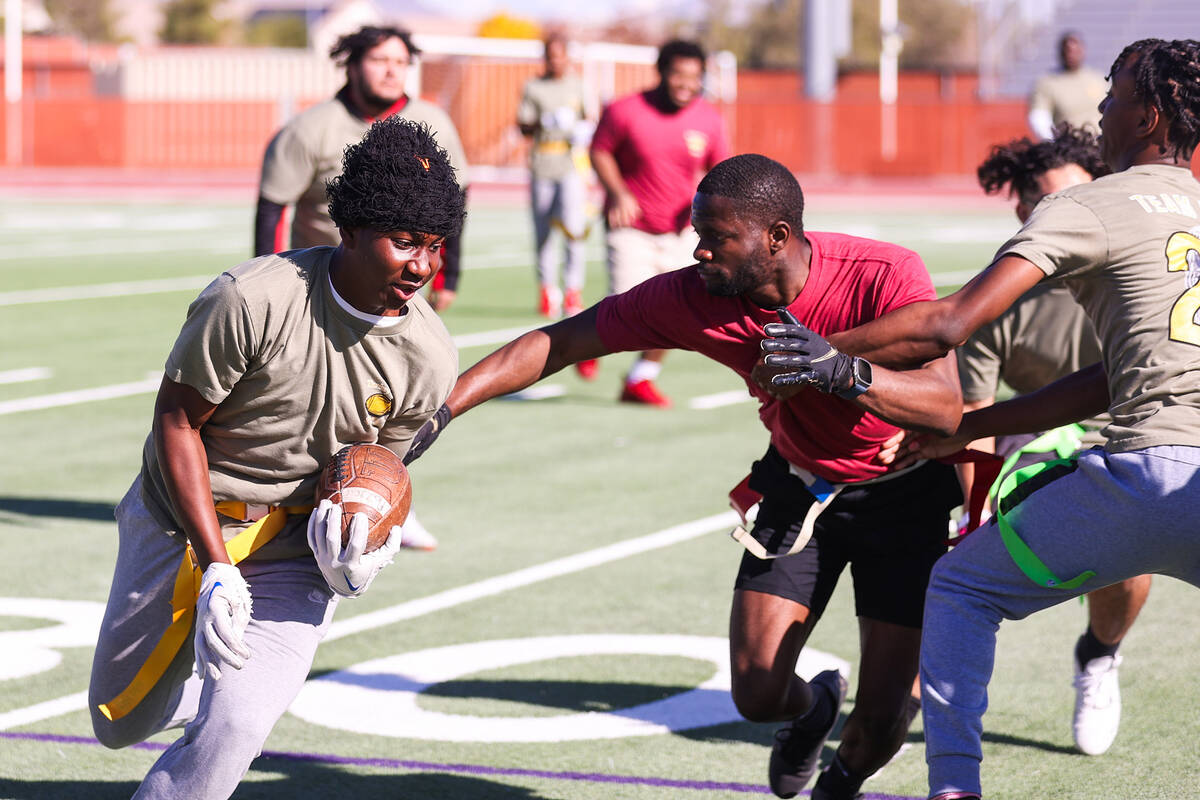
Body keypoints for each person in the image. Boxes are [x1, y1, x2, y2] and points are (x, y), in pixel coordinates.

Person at [405, 153, 965, 800]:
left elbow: (945, 406)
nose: (697, 251)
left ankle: (839, 783)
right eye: (698, 235)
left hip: (903, 495)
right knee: (757, 693)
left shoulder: (884, 272)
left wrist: (838, 368)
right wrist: (448, 405)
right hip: (800, 482)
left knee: (880, 720)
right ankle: (813, 709)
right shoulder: (693, 295)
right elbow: (561, 342)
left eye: (716, 238)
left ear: (777, 237)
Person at [763, 38, 1200, 800]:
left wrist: (822, 357)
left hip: (1142, 474)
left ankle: (955, 788)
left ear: (1149, 114)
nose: (1098, 106)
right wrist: (971, 425)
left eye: (1114, 92)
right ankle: (1098, 657)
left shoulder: (1093, 202)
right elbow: (1113, 375)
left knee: (961, 589)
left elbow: (947, 323)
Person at [89, 117, 466, 800]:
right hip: (181, 518)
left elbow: (378, 477)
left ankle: (220, 706)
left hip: (294, 550)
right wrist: (217, 568)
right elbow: (176, 422)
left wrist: (359, 555)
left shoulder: (430, 356)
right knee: (117, 722)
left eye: (435, 246)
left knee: (236, 728)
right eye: (405, 241)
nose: (422, 265)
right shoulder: (253, 298)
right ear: (346, 229)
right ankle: (189, 678)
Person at [962, 125, 1150, 757]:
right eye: (1052, 202)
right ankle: (898, 699)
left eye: (1085, 195)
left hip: (1128, 439)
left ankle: (1099, 655)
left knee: (1131, 553)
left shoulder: (1138, 277)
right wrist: (971, 513)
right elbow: (975, 413)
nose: (1079, 213)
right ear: (1024, 213)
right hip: (1025, 452)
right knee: (929, 556)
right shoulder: (998, 296)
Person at [255, 23, 468, 548]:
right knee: (312, 402)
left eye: (400, 60)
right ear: (351, 64)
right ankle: (281, 500)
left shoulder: (433, 122)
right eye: (379, 60)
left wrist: (450, 273)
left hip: (395, 293)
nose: (391, 70)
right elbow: (272, 206)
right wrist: (265, 275)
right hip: (317, 292)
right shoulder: (311, 129)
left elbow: (454, 207)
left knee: (400, 397)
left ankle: (382, 496)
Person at [589, 38, 729, 407]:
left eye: (694, 77)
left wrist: (706, 210)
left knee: (677, 314)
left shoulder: (709, 118)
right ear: (662, 73)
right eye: (678, 75)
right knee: (624, 314)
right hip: (630, 227)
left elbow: (720, 170)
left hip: (683, 232)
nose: (686, 84)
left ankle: (639, 379)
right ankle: (585, 337)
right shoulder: (624, 110)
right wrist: (618, 192)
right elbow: (599, 151)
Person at [517, 32, 598, 380]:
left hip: (570, 165)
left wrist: (579, 127)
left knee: (573, 230)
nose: (555, 62)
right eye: (550, 56)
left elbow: (592, 119)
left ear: (568, 57)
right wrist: (543, 123)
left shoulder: (579, 85)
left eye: (560, 55)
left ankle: (573, 290)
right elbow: (522, 124)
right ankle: (547, 287)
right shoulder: (533, 88)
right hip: (542, 164)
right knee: (542, 230)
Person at [1028, 31, 1107, 140]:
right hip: (1070, 148)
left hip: (1100, 147)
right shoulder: (1047, 83)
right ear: (1061, 53)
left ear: (1083, 50)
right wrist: (1052, 141)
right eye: (1068, 50)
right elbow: (1039, 118)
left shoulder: (1099, 79)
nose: (1072, 54)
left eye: (1076, 50)